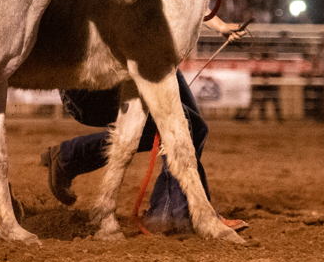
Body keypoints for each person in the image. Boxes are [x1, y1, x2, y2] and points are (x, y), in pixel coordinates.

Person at [41, 16, 250, 233]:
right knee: (182, 126)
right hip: (107, 67)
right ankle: (170, 213)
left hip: (150, 53)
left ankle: (69, 157)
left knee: (193, 129)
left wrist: (220, 25)